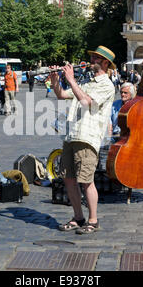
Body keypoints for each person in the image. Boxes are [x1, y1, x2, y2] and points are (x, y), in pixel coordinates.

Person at [50, 45, 116, 234]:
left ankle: (93, 220)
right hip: (72, 135)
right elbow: (62, 95)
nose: (91, 61)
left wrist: (70, 79)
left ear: (105, 63)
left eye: (96, 58)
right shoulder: (87, 82)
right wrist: (56, 80)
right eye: (92, 57)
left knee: (86, 180)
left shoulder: (107, 85)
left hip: (88, 137)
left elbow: (87, 102)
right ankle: (78, 217)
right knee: (68, 179)